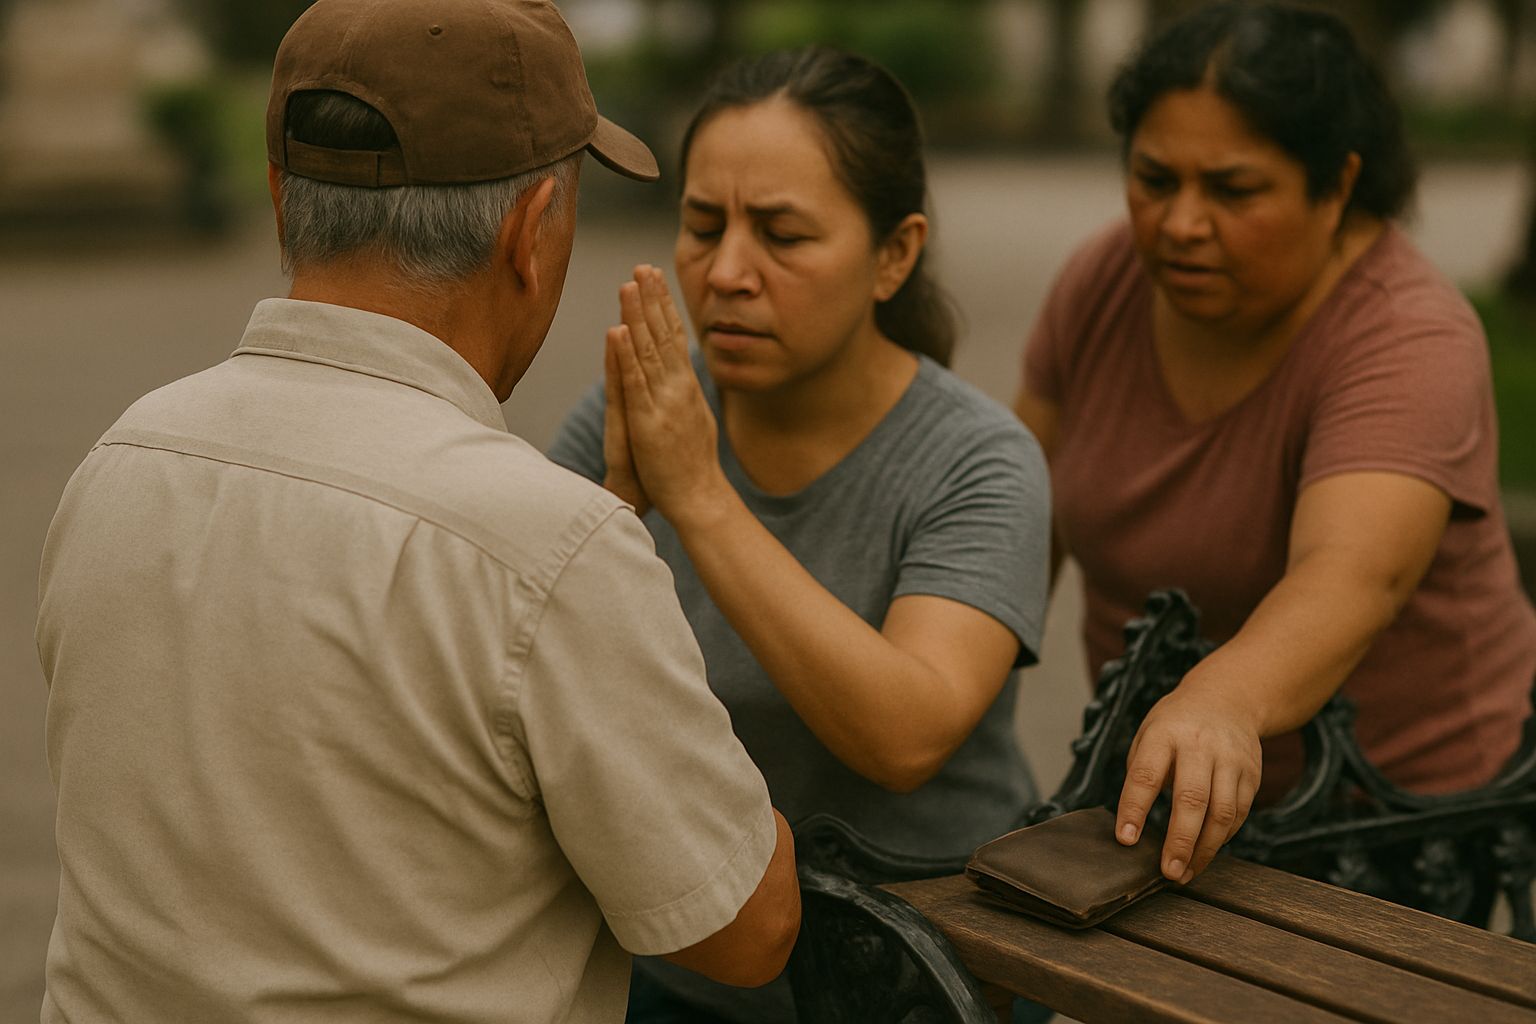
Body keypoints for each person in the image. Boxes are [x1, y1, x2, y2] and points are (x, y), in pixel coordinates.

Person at [34, 1, 801, 1020]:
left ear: (278, 199)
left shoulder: (122, 460)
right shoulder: (547, 551)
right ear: (532, 235)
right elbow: (744, 931)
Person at [549, 47, 1051, 1022]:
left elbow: (906, 734)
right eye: (704, 225)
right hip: (691, 964)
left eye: (781, 234)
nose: (727, 272)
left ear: (894, 255)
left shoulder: (978, 461)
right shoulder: (634, 415)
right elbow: (523, 668)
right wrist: (616, 511)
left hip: (928, 974)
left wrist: (699, 496)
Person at [1015, 0, 1536, 893]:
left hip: (1392, 821)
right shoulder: (1104, 281)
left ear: (1336, 188)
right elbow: (1016, 524)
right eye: (1154, 178)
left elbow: (1349, 574)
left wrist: (1222, 702)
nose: (1179, 223)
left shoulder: (1407, 335)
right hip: (1151, 800)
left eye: (1232, 189)